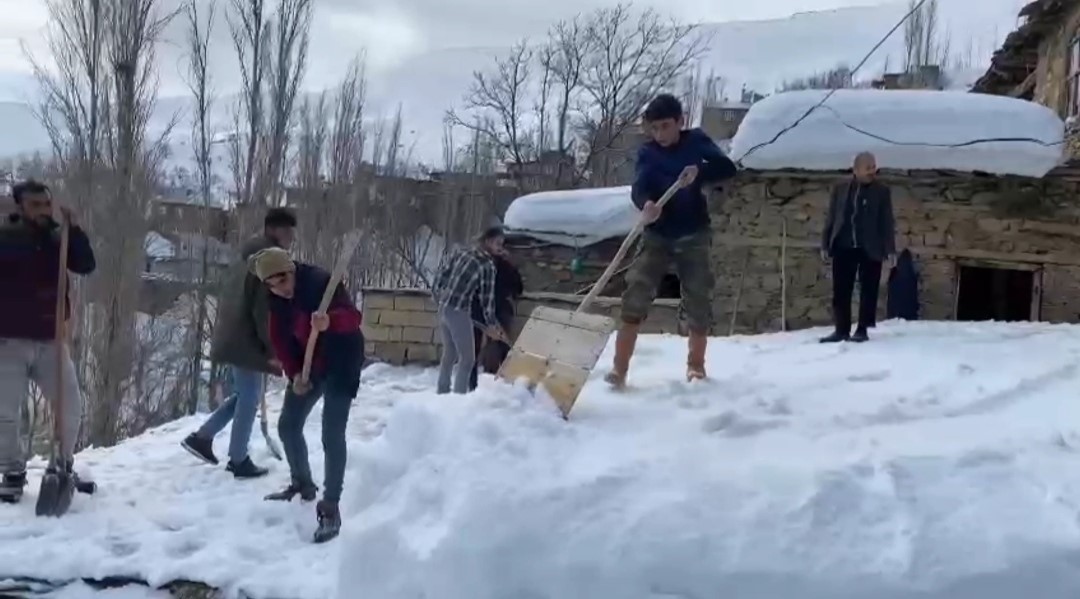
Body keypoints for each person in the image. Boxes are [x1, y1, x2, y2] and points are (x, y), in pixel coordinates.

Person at [605, 94, 737, 388]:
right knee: (636, 293)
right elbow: (639, 187)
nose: (660, 134)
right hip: (658, 234)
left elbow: (727, 168)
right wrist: (647, 204)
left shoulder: (696, 142)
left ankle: (696, 367)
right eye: (655, 128)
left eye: (666, 126)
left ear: (680, 122)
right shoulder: (648, 153)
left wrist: (699, 171)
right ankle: (619, 369)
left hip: (693, 233)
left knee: (698, 298)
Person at [251, 247, 364, 544]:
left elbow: (353, 317)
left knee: (331, 433)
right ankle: (302, 483)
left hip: (342, 361)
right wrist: (294, 374)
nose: (283, 289)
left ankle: (330, 506)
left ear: (292, 271)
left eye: (285, 280)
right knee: (288, 426)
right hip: (310, 364)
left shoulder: (320, 282)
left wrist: (330, 322)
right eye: (274, 285)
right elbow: (280, 338)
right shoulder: (275, 300)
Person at [181, 207, 297, 479]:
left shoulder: (249, 250)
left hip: (234, 332)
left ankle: (203, 437)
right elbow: (262, 309)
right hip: (246, 338)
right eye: (288, 231)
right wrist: (272, 349)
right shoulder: (266, 258)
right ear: (274, 230)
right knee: (249, 397)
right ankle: (238, 458)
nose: (292, 237)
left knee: (246, 395)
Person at [0, 180, 96, 504]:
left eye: (46, 205)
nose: (43, 211)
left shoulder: (59, 237)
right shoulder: (5, 237)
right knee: (5, 414)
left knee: (70, 406)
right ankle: (12, 471)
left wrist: (76, 229)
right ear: (19, 207)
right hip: (7, 340)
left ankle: (62, 464)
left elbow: (86, 265)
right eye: (35, 205)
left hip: (50, 339)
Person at [819, 151, 897, 343]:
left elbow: (886, 221)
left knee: (868, 290)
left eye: (874, 166)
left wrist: (890, 249)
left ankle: (862, 329)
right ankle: (841, 330)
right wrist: (825, 243)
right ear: (856, 170)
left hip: (870, 247)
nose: (873, 171)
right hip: (844, 245)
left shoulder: (881, 191)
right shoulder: (841, 189)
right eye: (868, 167)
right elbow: (832, 217)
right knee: (841, 290)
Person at [431, 227, 508, 395]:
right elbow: (487, 300)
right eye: (497, 243)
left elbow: (440, 276)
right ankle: (459, 400)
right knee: (467, 359)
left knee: (450, 354)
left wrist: (438, 297)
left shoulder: (462, 253)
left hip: (444, 308)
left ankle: (441, 393)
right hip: (459, 312)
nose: (500, 248)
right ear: (487, 242)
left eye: (502, 244)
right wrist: (492, 326)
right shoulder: (487, 265)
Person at [468, 247, 523, 391]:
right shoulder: (480, 266)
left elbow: (517, 288)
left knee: (498, 348)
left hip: (494, 310)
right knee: (478, 348)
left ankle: (495, 384)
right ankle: (477, 385)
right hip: (482, 309)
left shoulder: (502, 266)